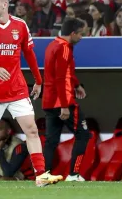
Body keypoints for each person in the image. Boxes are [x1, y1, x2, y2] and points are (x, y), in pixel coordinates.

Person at [0, 0, 62, 187]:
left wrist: (38, 80)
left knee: (32, 130)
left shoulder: (20, 25)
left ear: (5, 4)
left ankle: (41, 176)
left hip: (16, 89)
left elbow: (29, 53)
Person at [42, 17, 90, 182]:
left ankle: (44, 174)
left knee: (51, 140)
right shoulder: (64, 48)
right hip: (62, 101)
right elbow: (61, 78)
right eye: (80, 34)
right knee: (83, 134)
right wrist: (64, 106)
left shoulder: (52, 45)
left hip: (49, 101)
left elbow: (65, 73)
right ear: (72, 33)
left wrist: (77, 85)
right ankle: (74, 174)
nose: (82, 38)